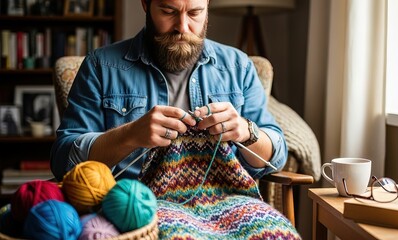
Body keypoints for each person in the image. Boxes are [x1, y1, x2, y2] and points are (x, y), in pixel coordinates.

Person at [50, 0, 287, 183]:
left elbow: (276, 157)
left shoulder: (238, 66)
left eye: (194, 13)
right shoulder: (101, 66)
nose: (182, 27)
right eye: (168, 11)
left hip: (222, 204)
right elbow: (63, 160)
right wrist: (130, 134)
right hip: (135, 209)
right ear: (146, 4)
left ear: (207, 6)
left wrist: (247, 132)